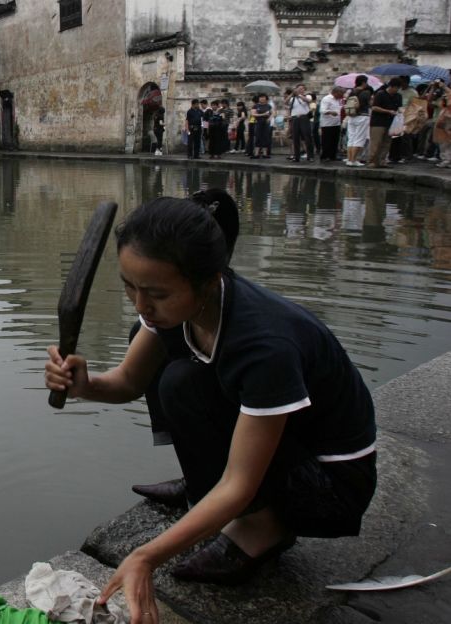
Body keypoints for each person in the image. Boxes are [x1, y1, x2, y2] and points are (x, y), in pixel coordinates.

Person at [45, 192, 377, 623]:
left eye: (156, 293)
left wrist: (145, 557)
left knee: (186, 387)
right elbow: (128, 382)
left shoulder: (264, 346)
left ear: (206, 281)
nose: (142, 303)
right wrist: (83, 384)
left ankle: (261, 528)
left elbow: (240, 483)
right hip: (282, 450)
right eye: (130, 286)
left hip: (329, 484)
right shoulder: (178, 306)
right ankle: (203, 484)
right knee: (176, 375)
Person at [367, 78, 403, 169]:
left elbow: (399, 107)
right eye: (396, 88)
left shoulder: (398, 96)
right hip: (378, 122)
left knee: (387, 143)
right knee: (376, 142)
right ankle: (372, 161)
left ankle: (382, 161)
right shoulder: (380, 94)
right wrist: (388, 111)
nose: (397, 90)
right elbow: (374, 107)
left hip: (391, 123)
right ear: (391, 86)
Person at [346, 75, 373, 167]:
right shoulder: (366, 92)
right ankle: (354, 160)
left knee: (351, 139)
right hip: (362, 116)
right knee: (359, 139)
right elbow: (370, 104)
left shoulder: (352, 91)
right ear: (363, 82)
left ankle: (349, 160)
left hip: (351, 116)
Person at [287, 84, 313, 162]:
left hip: (304, 118)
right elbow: (286, 102)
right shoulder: (293, 98)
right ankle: (296, 156)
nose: (300, 90)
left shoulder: (307, 96)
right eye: (298, 88)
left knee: (307, 137)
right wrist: (292, 94)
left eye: (302, 89)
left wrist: (298, 95)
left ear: (304, 90)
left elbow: (308, 101)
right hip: (295, 118)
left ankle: (310, 156)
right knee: (295, 138)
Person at [319, 87, 345, 162]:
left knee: (335, 140)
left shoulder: (339, 100)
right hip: (327, 123)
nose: (342, 95)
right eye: (341, 94)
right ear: (336, 92)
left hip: (337, 123)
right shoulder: (327, 99)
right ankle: (324, 156)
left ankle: (333, 156)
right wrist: (331, 112)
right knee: (327, 141)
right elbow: (322, 110)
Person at [433, 88, 451, 168]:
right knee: (444, 141)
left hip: (447, 118)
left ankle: (446, 160)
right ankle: (447, 160)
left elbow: (447, 104)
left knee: (444, 141)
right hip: (445, 116)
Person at [251, 94, 273, 159]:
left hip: (266, 123)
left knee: (266, 137)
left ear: (266, 98)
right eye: (260, 97)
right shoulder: (256, 106)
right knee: (258, 137)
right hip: (258, 122)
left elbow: (273, 113)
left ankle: (265, 154)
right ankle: (256, 153)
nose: (262, 99)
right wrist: (263, 114)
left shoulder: (268, 106)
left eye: (263, 97)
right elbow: (253, 114)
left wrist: (270, 118)